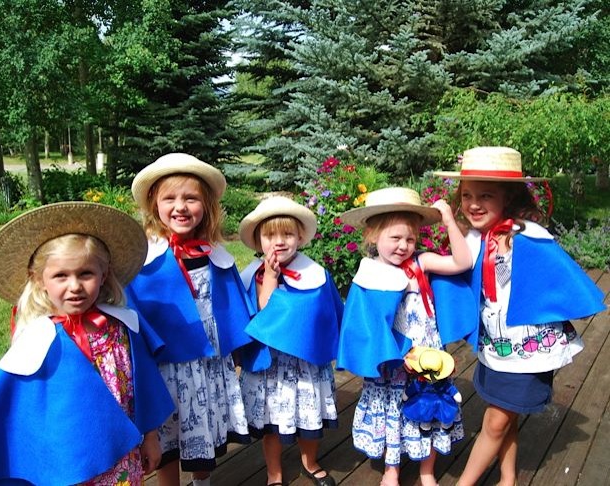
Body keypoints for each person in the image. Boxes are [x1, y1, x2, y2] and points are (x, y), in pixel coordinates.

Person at [0, 202, 175, 485]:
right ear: (39, 281)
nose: (74, 286)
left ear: (104, 275)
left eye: (85, 273)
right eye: (60, 276)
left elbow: (144, 388)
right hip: (67, 466)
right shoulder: (36, 342)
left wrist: (151, 437)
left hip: (123, 460)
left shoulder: (121, 327)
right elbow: (11, 411)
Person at [434, 146, 606, 486]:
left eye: (486, 195)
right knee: (504, 414)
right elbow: (453, 267)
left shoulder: (528, 236)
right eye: (467, 195)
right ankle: (508, 479)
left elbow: (561, 278)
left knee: (495, 422)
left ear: (509, 198)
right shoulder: (472, 238)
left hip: (528, 351)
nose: (473, 203)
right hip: (496, 345)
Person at [125, 153, 253, 486]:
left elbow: (231, 305)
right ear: (155, 204)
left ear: (206, 206)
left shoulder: (214, 255)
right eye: (170, 198)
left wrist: (237, 347)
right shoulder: (146, 259)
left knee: (204, 428)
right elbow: (137, 311)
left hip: (207, 363)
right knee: (168, 435)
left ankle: (202, 481)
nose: (180, 207)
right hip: (168, 365)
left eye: (191, 198)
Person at [336, 187, 476, 486]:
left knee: (431, 408)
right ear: (373, 236)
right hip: (393, 362)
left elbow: (462, 263)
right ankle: (392, 469)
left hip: (428, 358)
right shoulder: (368, 273)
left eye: (410, 239)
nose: (403, 246)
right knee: (393, 411)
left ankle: (426, 471)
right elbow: (363, 324)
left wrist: (450, 221)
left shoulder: (420, 263)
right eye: (395, 238)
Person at [237, 196, 344, 486]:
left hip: (306, 364)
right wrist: (270, 277)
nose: (279, 242)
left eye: (287, 234)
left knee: (310, 420)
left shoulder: (316, 274)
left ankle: (310, 462)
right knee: (272, 424)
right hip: (272, 368)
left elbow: (330, 312)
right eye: (270, 235)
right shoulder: (254, 276)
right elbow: (263, 316)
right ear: (259, 241)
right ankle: (275, 473)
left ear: (300, 237)